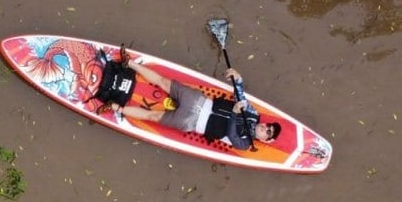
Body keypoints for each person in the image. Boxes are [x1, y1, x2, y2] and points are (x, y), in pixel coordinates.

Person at [121, 64, 284, 151]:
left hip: (192, 122)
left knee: (153, 116)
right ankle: (129, 62)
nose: (265, 127)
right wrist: (238, 80)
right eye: (268, 125)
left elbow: (232, 136)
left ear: (266, 140)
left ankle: (117, 108)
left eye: (268, 132)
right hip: (200, 102)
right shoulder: (253, 114)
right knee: (164, 82)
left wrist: (234, 114)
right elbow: (240, 97)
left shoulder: (245, 144)